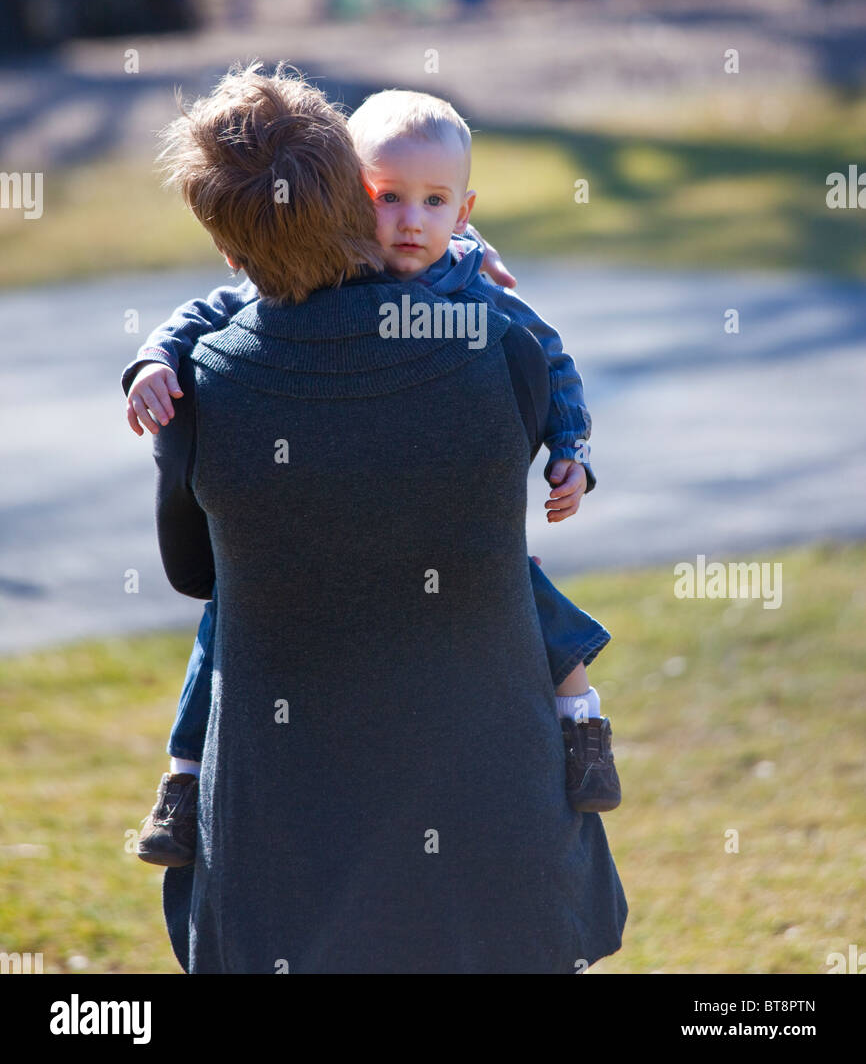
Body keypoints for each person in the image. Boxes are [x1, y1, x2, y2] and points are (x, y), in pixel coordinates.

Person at [145, 62, 627, 973]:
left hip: (283, 827)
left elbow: (196, 574)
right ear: (350, 198)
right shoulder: (497, 338)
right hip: (493, 803)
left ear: (225, 245)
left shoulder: (203, 382)